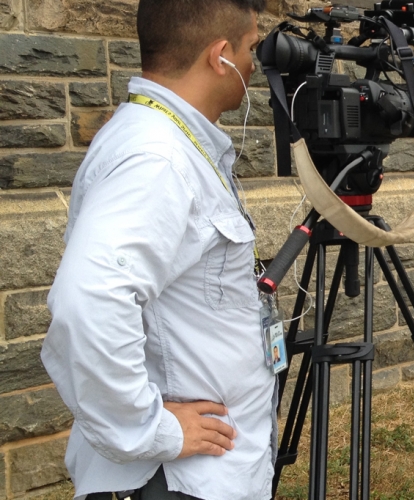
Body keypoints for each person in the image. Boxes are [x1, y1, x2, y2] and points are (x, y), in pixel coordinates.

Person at [39, 1, 274, 498]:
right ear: (221, 56)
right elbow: (89, 301)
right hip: (173, 482)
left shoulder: (165, 138)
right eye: (251, 48)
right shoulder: (158, 158)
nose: (255, 64)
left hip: (195, 476)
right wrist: (150, 428)